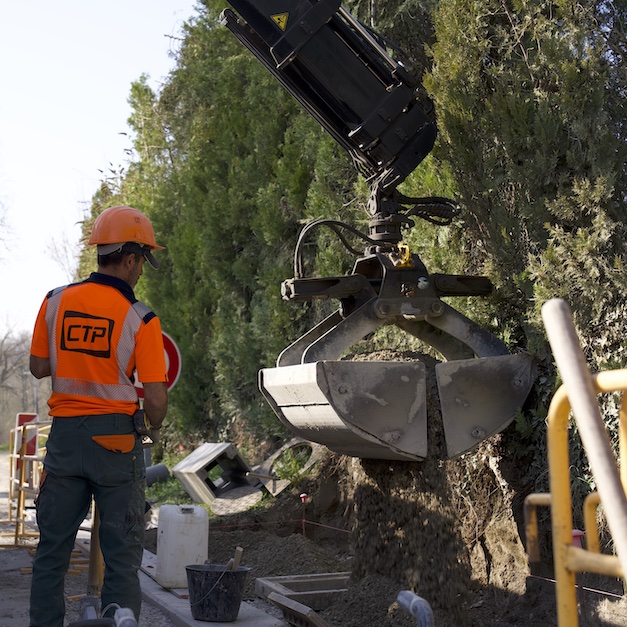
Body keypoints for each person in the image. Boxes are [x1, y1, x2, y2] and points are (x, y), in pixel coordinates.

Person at [28, 205, 169, 627]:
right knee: (122, 555)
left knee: (52, 550)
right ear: (128, 259)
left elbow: (38, 367)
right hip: (116, 445)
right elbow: (157, 400)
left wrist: (78, 356)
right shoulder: (141, 318)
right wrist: (150, 425)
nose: (142, 270)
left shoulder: (55, 302)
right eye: (142, 261)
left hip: (66, 443)